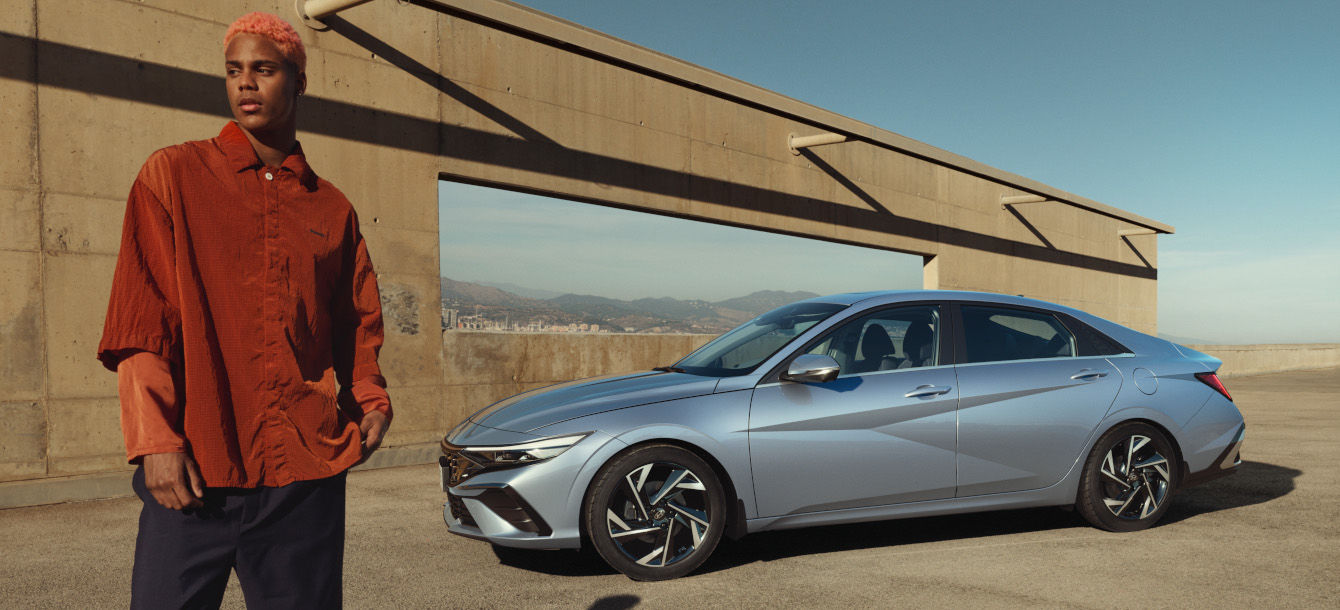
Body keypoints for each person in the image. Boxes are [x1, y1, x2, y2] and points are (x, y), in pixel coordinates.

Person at [97, 12, 391, 609]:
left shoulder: (332, 208)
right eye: (234, 71)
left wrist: (370, 398)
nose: (246, 84)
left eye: (264, 69)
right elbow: (143, 323)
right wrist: (156, 441)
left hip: (303, 478)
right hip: (193, 469)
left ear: (299, 81)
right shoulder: (172, 175)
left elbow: (355, 322)